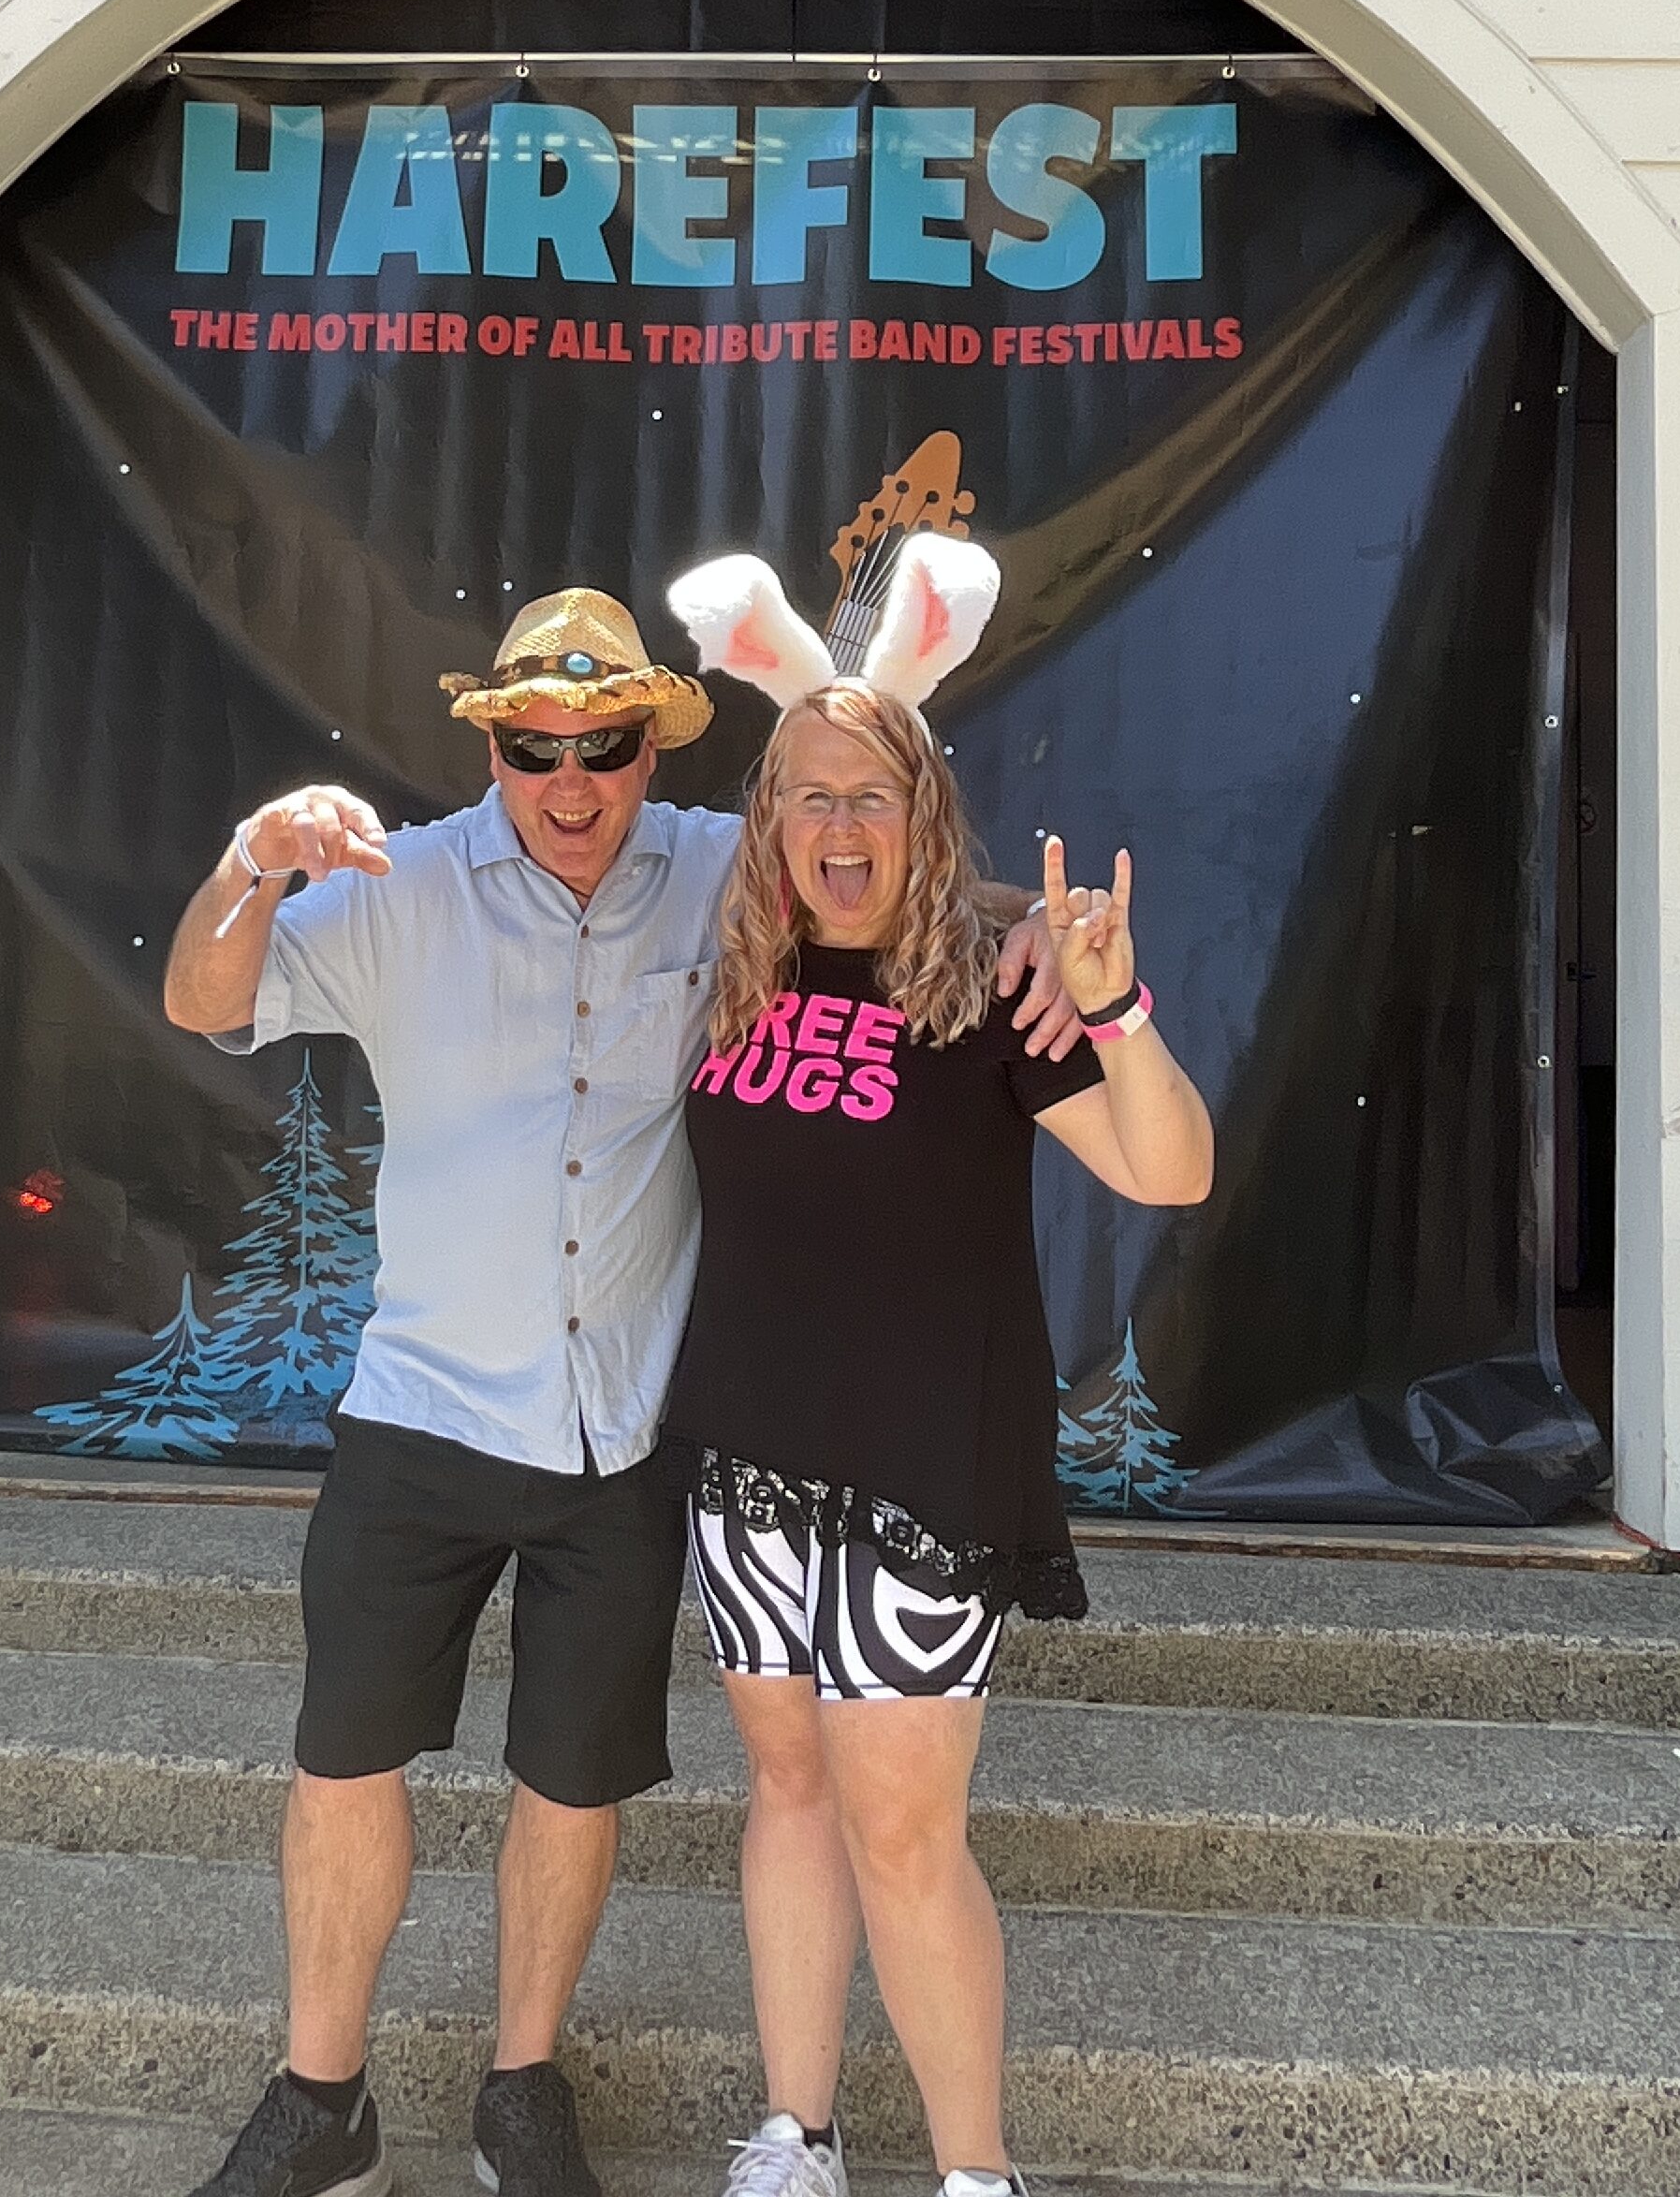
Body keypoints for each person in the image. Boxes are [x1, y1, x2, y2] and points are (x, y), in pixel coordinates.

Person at [160, 586, 1078, 2197]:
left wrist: (1042, 942)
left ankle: (522, 2088)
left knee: (570, 1780)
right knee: (344, 1763)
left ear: (656, 748)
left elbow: (885, 863)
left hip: (625, 1431)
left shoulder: (726, 867)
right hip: (425, 1410)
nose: (570, 779)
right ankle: (322, 2099)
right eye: (535, 747)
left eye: (604, 745)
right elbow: (203, 1000)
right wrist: (250, 864)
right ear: (492, 749)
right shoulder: (399, 886)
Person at [660, 554, 1212, 2197]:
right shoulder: (730, 969)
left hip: (925, 1474)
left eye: (872, 794)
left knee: (905, 1834)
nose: (841, 825)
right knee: (787, 1794)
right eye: (809, 795)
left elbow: (1170, 1170)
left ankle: (977, 2173)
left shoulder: (990, 984)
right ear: (771, 819)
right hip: (749, 1460)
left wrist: (1115, 1006)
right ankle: (797, 2135)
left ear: (923, 812)